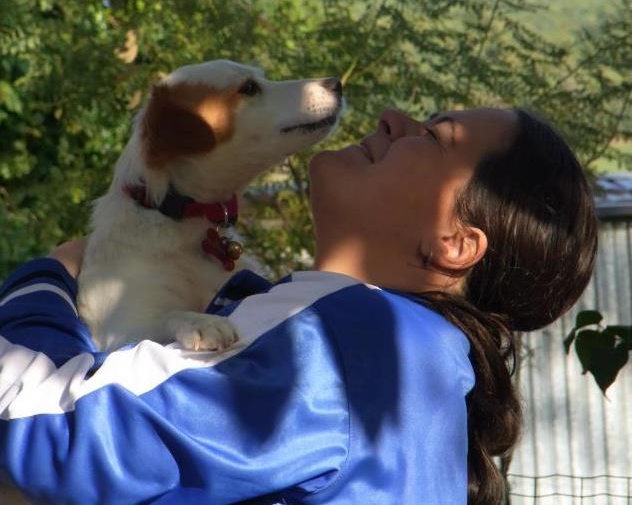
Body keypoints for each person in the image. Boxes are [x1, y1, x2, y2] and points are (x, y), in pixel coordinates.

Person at [0, 107, 597, 505]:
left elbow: (49, 428)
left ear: (456, 243)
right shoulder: (411, 362)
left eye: (435, 136)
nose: (393, 118)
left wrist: (49, 277)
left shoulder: (353, 344)